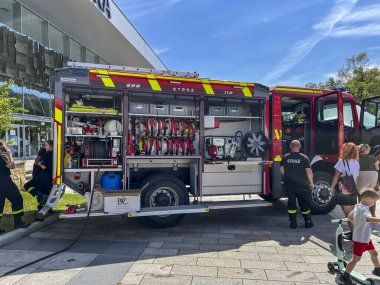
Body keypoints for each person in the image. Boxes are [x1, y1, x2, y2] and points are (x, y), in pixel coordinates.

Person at [339, 188, 380, 285]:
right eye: (374, 201)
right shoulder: (363, 209)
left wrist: (358, 225)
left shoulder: (358, 206)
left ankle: (377, 269)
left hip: (365, 237)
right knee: (356, 259)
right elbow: (368, 218)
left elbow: (349, 217)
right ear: (369, 198)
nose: (374, 204)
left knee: (374, 253)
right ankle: (345, 276)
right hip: (361, 239)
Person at [280, 140, 314, 229]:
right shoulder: (304, 157)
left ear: (291, 147)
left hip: (289, 185)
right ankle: (308, 222)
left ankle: (293, 223)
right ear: (299, 147)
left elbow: (281, 169)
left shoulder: (285, 157)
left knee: (291, 203)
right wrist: (311, 183)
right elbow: (309, 172)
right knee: (304, 204)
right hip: (302, 185)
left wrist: (287, 176)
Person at [330, 142, 360, 240]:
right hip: (353, 190)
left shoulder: (341, 162)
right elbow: (357, 177)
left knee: (348, 215)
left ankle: (355, 236)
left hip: (344, 191)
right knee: (352, 214)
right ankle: (354, 233)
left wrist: (331, 188)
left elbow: (336, 177)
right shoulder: (356, 162)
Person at [0, 141, 29, 232]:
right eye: (4, 146)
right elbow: (11, 166)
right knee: (17, 199)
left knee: (0, 203)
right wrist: (10, 155)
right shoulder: (1, 157)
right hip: (4, 181)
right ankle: (18, 223)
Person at [24, 140, 54, 211]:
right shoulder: (55, 154)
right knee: (46, 191)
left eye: (46, 145)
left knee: (26, 186)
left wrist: (39, 164)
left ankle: (38, 194)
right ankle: (43, 204)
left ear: (51, 146)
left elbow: (43, 166)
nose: (44, 147)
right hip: (50, 177)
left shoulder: (47, 154)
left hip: (43, 176)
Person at [357, 144, 379, 216]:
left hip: (361, 174)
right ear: (366, 150)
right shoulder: (373, 157)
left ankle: (362, 213)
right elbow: (377, 167)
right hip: (373, 175)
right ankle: (372, 214)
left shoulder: (357, 158)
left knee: (361, 193)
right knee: (372, 193)